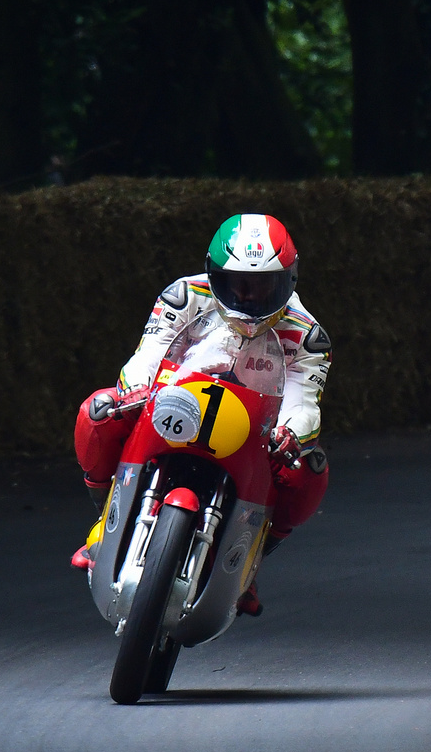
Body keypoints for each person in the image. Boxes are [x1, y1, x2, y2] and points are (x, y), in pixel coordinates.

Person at [71, 213, 332, 617]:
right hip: (175, 406)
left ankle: (251, 559)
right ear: (214, 276)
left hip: (253, 433)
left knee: (309, 468)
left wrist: (290, 432)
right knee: (99, 410)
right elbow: (149, 352)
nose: (248, 300)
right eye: (237, 285)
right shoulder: (184, 295)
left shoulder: (307, 334)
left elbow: (304, 400)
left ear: (289, 282)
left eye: (264, 287)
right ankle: (106, 518)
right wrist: (136, 389)